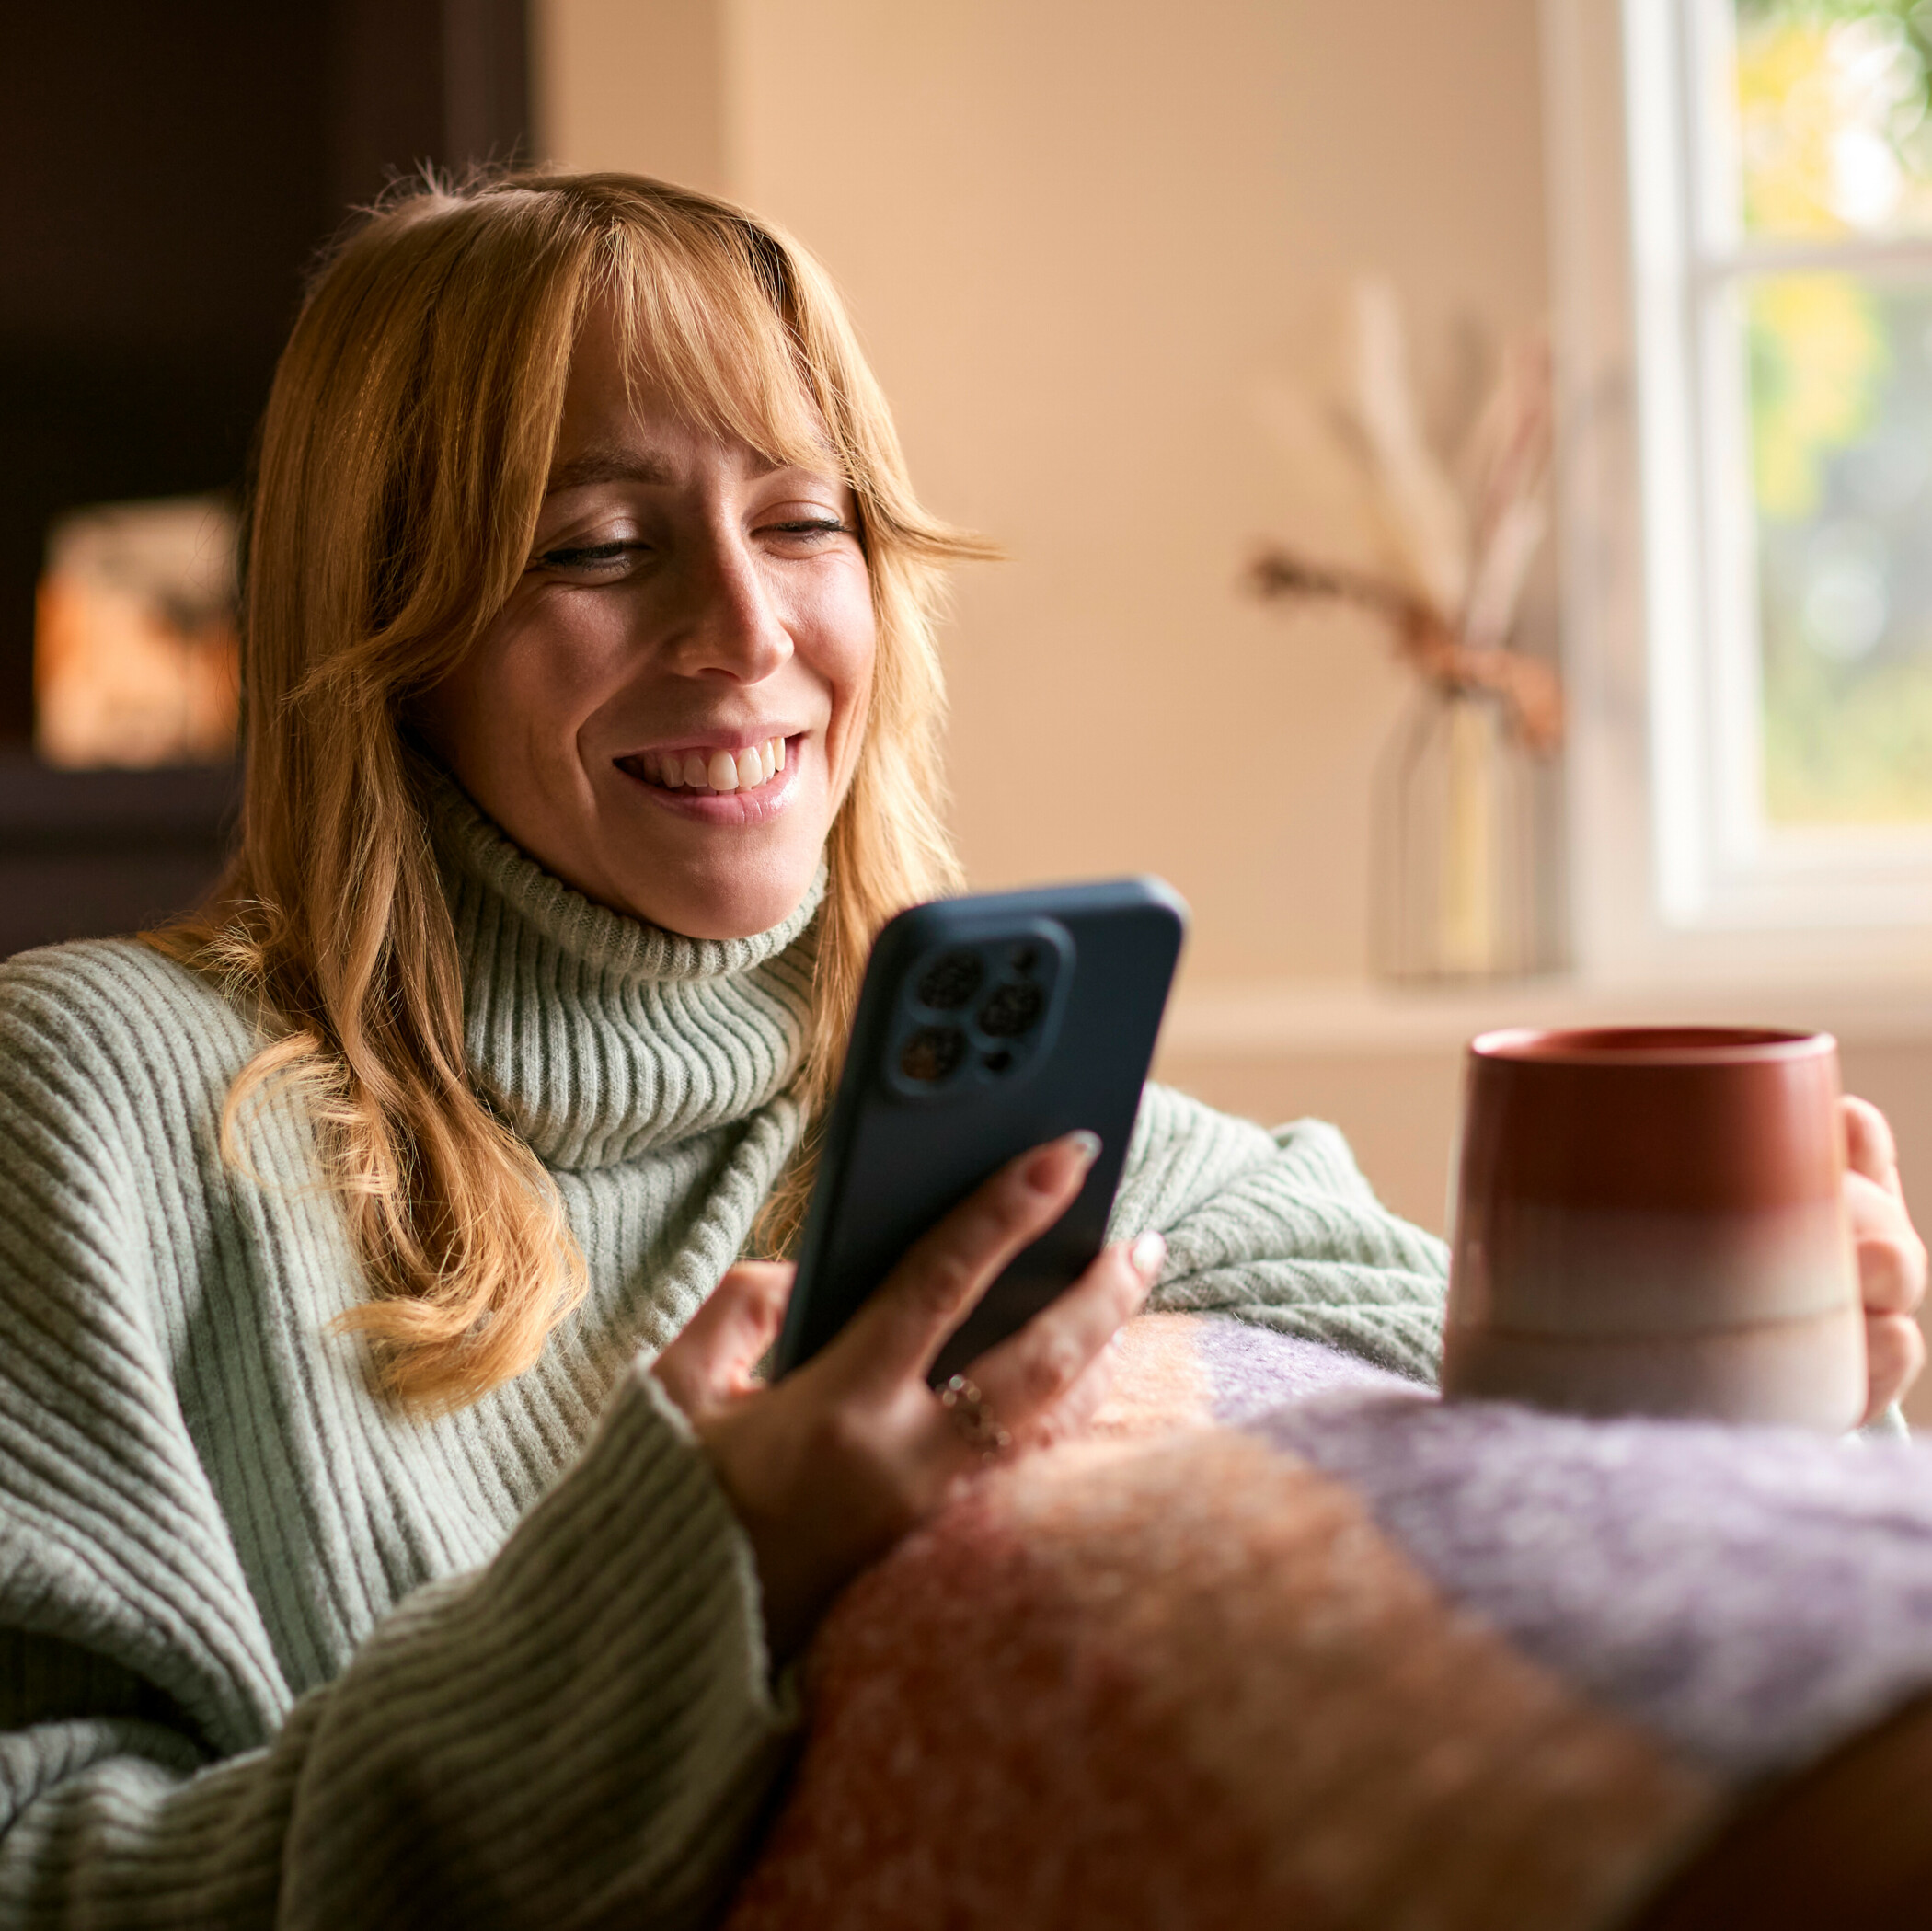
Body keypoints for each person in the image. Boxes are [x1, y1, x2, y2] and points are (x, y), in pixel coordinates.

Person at [0, 170, 1918, 1929]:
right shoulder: (91, 1098)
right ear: (390, 634)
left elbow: (1537, 1414)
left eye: (804, 522)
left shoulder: (973, 1116)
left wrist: (1796, 1380)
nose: (745, 630)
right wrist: (704, 1571)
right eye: (598, 548)